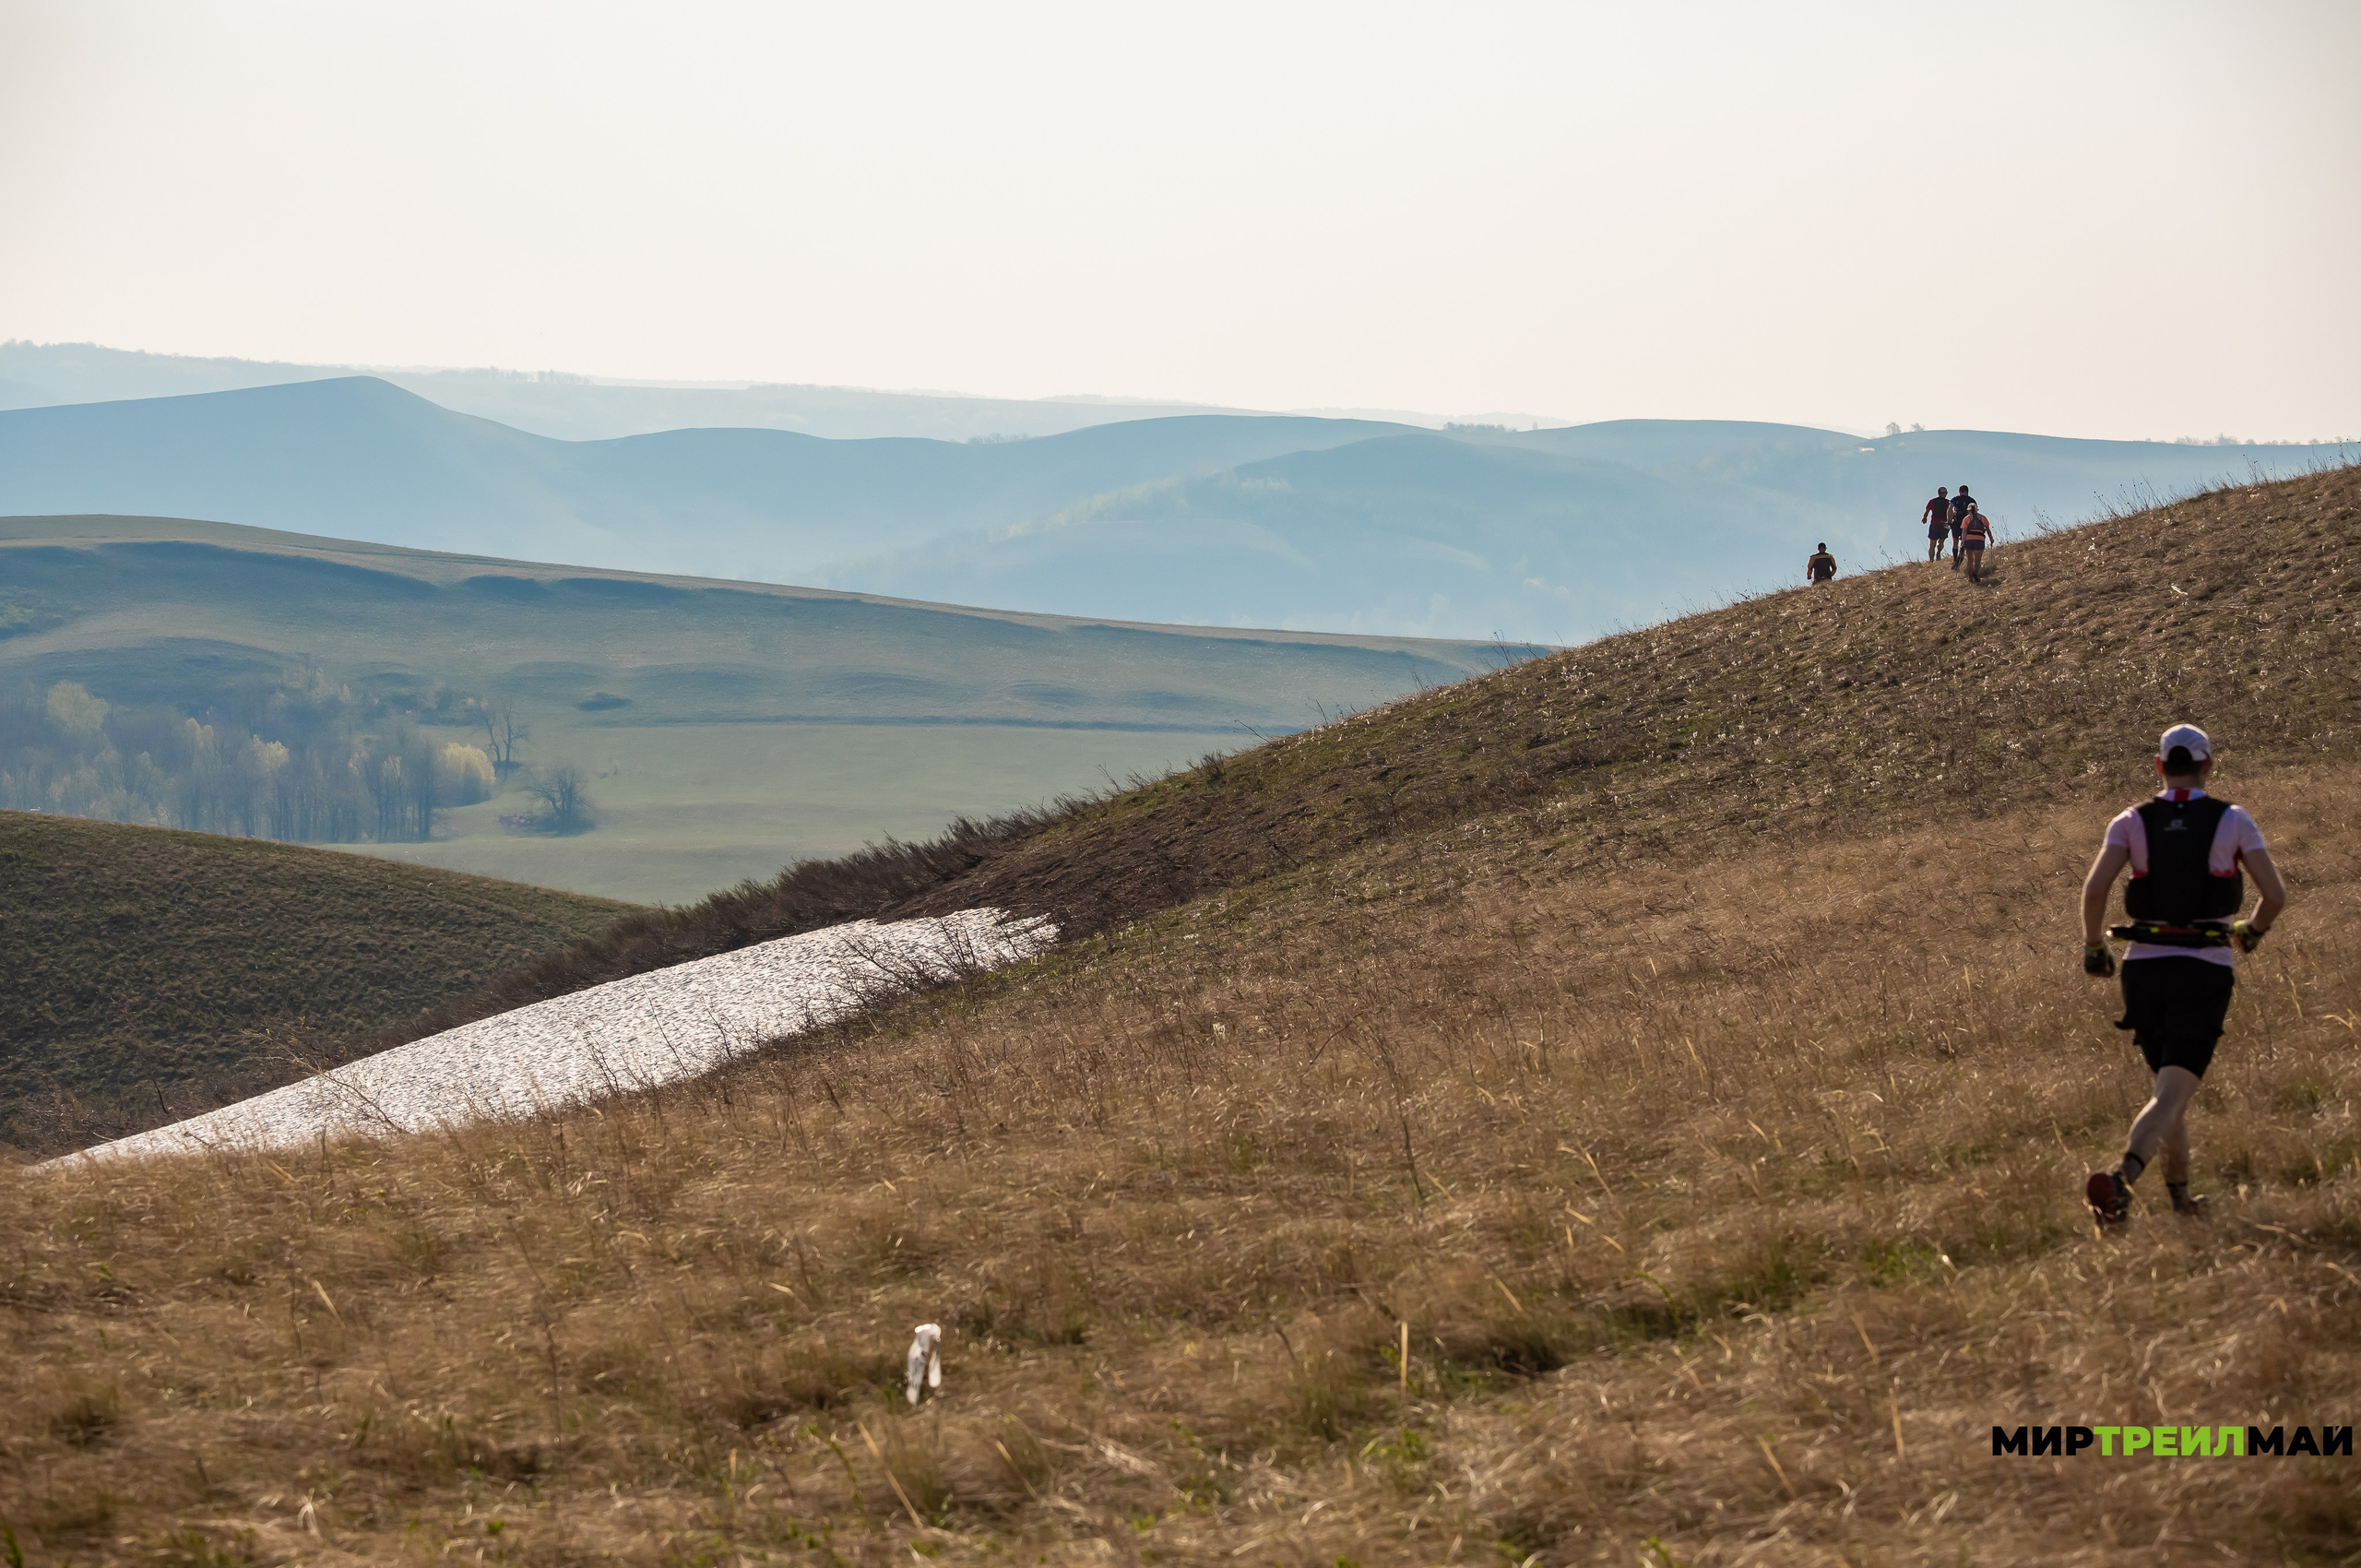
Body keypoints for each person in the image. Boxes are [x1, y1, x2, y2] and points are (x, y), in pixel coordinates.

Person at [2080, 725, 2287, 1229]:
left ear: (2158, 766)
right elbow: (2274, 894)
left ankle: (2182, 1204)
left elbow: (2094, 891)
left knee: (2165, 1091)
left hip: (2143, 971)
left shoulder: (2130, 821)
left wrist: (2094, 947)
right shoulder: (2232, 820)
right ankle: (2122, 1180)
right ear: (2208, 766)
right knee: (2171, 1095)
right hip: (2203, 970)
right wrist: (2252, 930)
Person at [1959, 503, 1992, 581]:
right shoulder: (1982, 517)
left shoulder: (1966, 519)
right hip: (1979, 539)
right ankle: (1975, 573)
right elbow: (1987, 529)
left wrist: (1963, 542)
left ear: (1968, 510)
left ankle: (1970, 578)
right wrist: (1991, 538)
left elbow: (1964, 531)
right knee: (1977, 560)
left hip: (1969, 540)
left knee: (1970, 560)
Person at [1948, 483, 1975, 567]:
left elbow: (1950, 509)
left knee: (1955, 542)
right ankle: (1959, 561)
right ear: (1968, 491)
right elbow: (1974, 512)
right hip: (1967, 522)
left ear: (1959, 491)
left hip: (1956, 522)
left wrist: (1949, 520)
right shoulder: (1971, 500)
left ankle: (1955, 560)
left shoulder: (1955, 499)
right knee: (1964, 542)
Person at [1922, 486, 1951, 562]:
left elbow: (1927, 512)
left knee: (1932, 544)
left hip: (1934, 524)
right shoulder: (1948, 502)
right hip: (1945, 525)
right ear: (1944, 493)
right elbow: (1951, 513)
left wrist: (1925, 518)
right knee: (1941, 541)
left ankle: (1931, 561)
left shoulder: (1932, 501)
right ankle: (1938, 553)